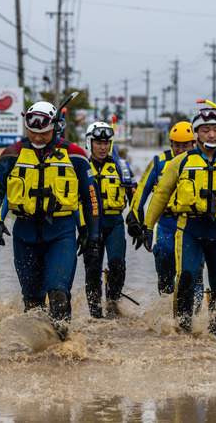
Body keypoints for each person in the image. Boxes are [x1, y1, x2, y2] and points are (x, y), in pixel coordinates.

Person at [0, 100, 101, 340]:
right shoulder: (11, 154)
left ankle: (62, 348)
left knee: (58, 292)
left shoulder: (75, 155)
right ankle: (40, 351)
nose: (37, 137)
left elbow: (91, 199)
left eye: (44, 132)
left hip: (61, 232)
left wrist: (93, 237)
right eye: (32, 132)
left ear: (56, 127)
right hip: (24, 234)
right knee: (33, 301)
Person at [141, 105, 216, 337]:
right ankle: (183, 336)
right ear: (196, 133)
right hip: (189, 231)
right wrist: (147, 227)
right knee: (185, 279)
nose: (212, 135)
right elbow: (161, 194)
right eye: (206, 130)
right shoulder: (180, 162)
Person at [126, 122, 204, 301]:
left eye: (185, 146)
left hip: (194, 224)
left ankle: (194, 320)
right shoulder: (158, 162)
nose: (181, 150)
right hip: (167, 225)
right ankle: (165, 309)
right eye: (177, 145)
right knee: (165, 266)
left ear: (193, 144)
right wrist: (135, 219)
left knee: (195, 273)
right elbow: (142, 191)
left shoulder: (202, 162)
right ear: (171, 144)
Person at [80, 121, 135, 318]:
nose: (103, 147)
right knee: (92, 269)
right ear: (90, 143)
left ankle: (112, 303)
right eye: (98, 143)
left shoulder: (122, 167)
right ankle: (95, 314)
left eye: (106, 143)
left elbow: (134, 197)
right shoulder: (81, 166)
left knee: (117, 264)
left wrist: (136, 220)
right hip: (90, 225)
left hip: (114, 224)